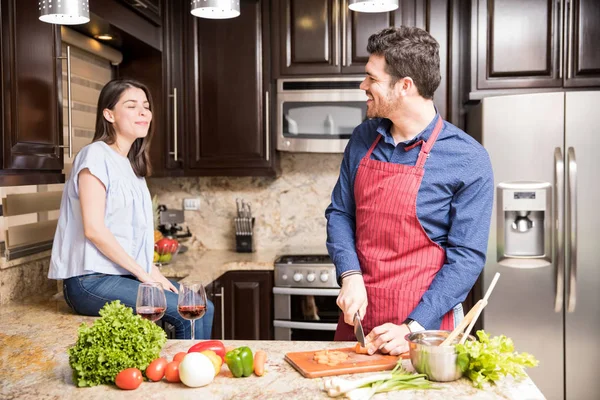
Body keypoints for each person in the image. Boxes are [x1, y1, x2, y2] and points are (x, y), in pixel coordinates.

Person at [325, 27, 494, 355]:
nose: (363, 86)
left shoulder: (468, 158)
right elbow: (341, 213)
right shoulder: (364, 138)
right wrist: (349, 274)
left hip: (425, 330)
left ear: (405, 86)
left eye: (371, 78)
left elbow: (466, 258)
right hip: (359, 319)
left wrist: (413, 329)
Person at [49, 79, 214, 339]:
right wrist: (145, 275)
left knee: (202, 307)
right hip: (90, 282)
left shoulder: (132, 167)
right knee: (184, 312)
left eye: (146, 106)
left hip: (123, 277)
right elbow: (94, 229)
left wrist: (154, 273)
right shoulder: (95, 155)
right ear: (109, 114)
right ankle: (186, 374)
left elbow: (131, 237)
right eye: (132, 105)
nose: (143, 112)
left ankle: (198, 372)